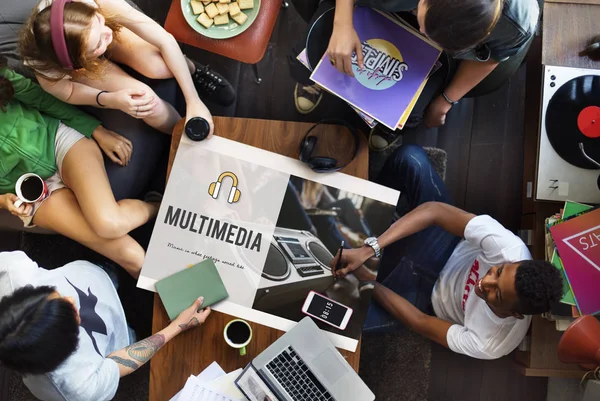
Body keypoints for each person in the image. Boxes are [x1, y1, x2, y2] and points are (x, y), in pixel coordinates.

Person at [331, 144, 564, 360]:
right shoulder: (509, 248)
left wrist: (369, 281)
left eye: (497, 295)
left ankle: (394, 220)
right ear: (515, 262)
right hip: (444, 244)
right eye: (498, 271)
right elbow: (434, 212)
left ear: (515, 314)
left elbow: (419, 321)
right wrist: (370, 248)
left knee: (335, 320)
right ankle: (383, 215)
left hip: (421, 296)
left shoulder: (490, 343)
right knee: (410, 158)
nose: (485, 282)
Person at [0, 56, 155, 278]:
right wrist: (4, 202)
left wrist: (97, 131)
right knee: (134, 258)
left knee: (110, 223)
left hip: (57, 142)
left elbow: (45, 101)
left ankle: (158, 206)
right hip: (29, 193)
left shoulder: (3, 78)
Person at [290, 0, 538, 132]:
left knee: (411, 117)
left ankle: (385, 125)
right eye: (424, 24)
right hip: (366, 5)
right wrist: (342, 23)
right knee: (302, 64)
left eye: (430, 34)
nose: (421, 31)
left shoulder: (516, 23)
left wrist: (445, 102)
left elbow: (492, 56)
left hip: (427, 48)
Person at [0, 251, 212, 401]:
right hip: (127, 321)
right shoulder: (77, 387)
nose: (72, 300)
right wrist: (177, 326)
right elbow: (118, 364)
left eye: (56, 294)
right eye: (71, 313)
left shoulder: (10, 274)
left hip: (99, 267)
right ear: (67, 345)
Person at [20, 0, 236, 137]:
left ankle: (193, 70)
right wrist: (111, 99)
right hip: (79, 59)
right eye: (99, 44)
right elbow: (69, 92)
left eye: (99, 22)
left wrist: (193, 100)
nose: (108, 34)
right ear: (77, 64)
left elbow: (164, 40)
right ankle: (184, 134)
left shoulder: (92, 5)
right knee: (144, 100)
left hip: (85, 38)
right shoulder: (46, 67)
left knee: (159, 65)